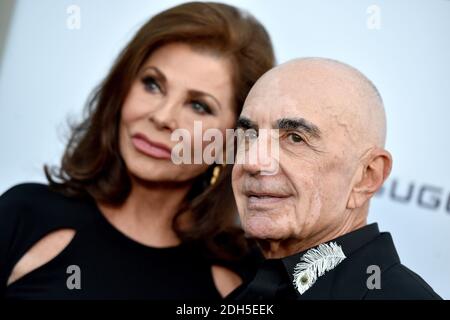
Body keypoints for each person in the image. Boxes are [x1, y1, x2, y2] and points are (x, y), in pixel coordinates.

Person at [0, 2, 275, 299]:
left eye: (199, 105)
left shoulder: (243, 282)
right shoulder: (25, 214)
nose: (162, 117)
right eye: (152, 84)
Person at [230, 57, 441, 299]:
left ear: (366, 177)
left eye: (295, 138)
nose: (252, 162)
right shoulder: (248, 290)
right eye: (249, 134)